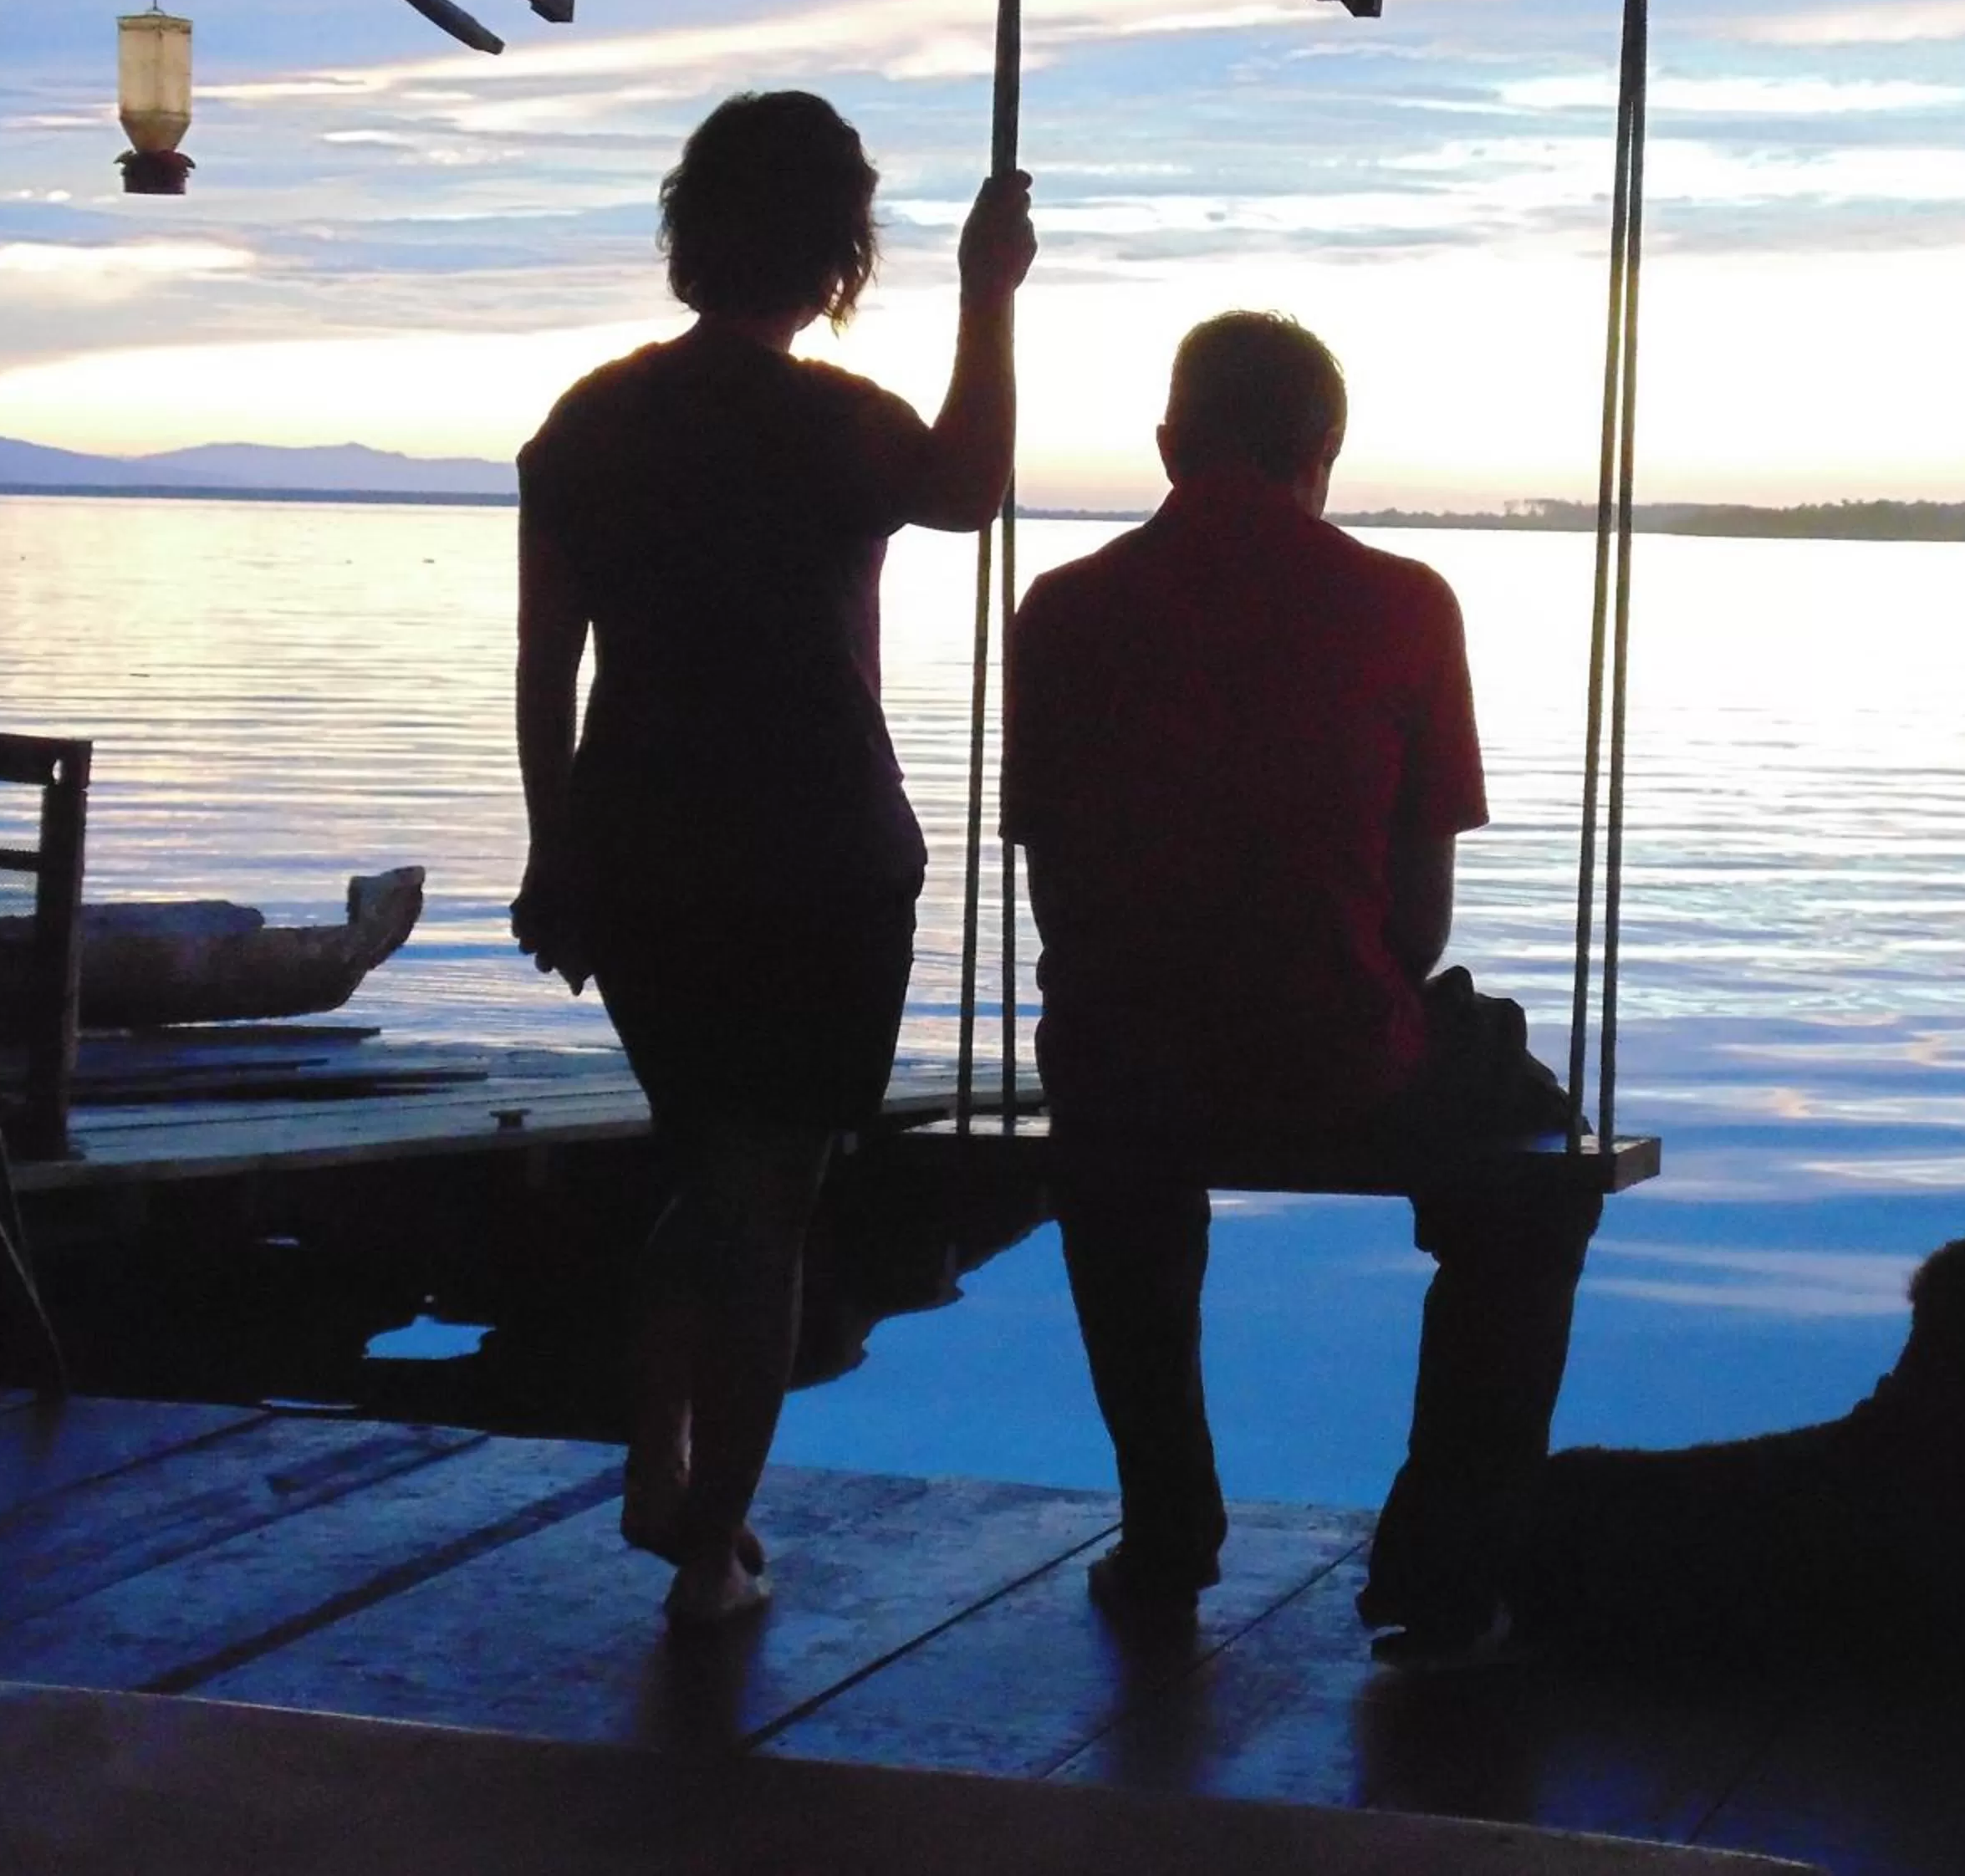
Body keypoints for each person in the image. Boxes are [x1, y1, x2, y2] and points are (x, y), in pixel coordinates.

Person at [511, 91, 1034, 1626]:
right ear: (833, 252)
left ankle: (665, 1465)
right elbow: (970, 489)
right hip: (821, 858)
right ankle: (709, 1544)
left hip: (647, 856)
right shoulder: (835, 424)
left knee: (715, 1166)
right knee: (771, 1197)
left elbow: (549, 673)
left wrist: (562, 850)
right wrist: (990, 298)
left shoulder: (587, 427)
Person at [1003, 311, 1602, 1652]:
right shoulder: (1405, 603)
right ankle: (1443, 1566)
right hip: (1337, 1053)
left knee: (1113, 1124)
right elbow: (1422, 923)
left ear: (1167, 444)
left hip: (1123, 1063)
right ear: (1325, 451)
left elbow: (1062, 901)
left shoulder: (1062, 607)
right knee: (1535, 1154)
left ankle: (1168, 1532)